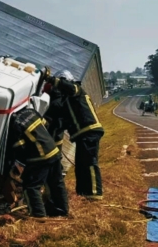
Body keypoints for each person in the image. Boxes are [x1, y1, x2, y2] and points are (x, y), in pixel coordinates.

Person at [44, 69, 104, 200]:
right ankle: (82, 193)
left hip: (90, 131)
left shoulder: (76, 90)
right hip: (83, 134)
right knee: (81, 164)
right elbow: (59, 119)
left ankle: (95, 193)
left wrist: (51, 79)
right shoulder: (67, 101)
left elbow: (69, 88)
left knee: (89, 162)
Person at [9, 107, 69, 217]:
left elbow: (20, 148)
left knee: (31, 186)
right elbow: (46, 125)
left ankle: (38, 216)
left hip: (40, 157)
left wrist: (22, 165)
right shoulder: (31, 111)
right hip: (53, 150)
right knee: (56, 182)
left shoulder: (15, 123)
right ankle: (62, 210)